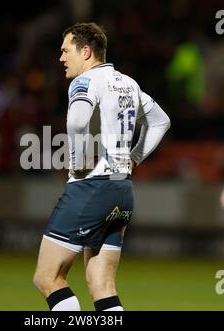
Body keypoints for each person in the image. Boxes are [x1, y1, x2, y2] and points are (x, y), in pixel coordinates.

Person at [33, 22, 170, 311]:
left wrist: (80, 159)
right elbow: (160, 121)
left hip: (90, 188)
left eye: (65, 50)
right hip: (122, 190)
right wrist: (133, 158)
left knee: (48, 277)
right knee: (101, 283)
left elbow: (78, 122)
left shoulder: (84, 82)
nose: (60, 58)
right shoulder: (128, 83)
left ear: (85, 51)